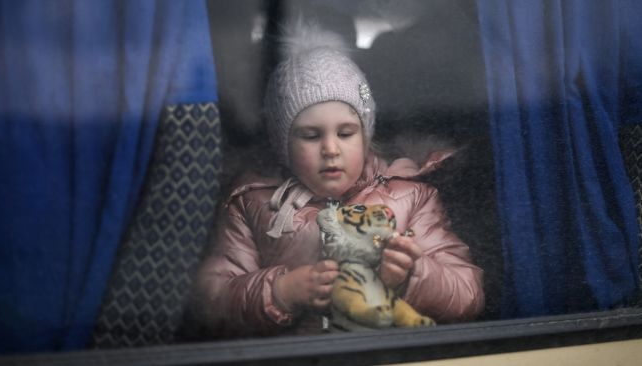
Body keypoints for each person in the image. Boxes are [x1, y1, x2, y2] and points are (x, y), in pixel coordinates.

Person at [187, 21, 484, 339]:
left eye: (345, 133)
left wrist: (412, 276)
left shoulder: (411, 197)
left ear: (366, 135)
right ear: (282, 144)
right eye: (310, 136)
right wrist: (282, 290)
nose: (330, 149)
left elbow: (468, 295)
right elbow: (210, 303)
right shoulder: (254, 203)